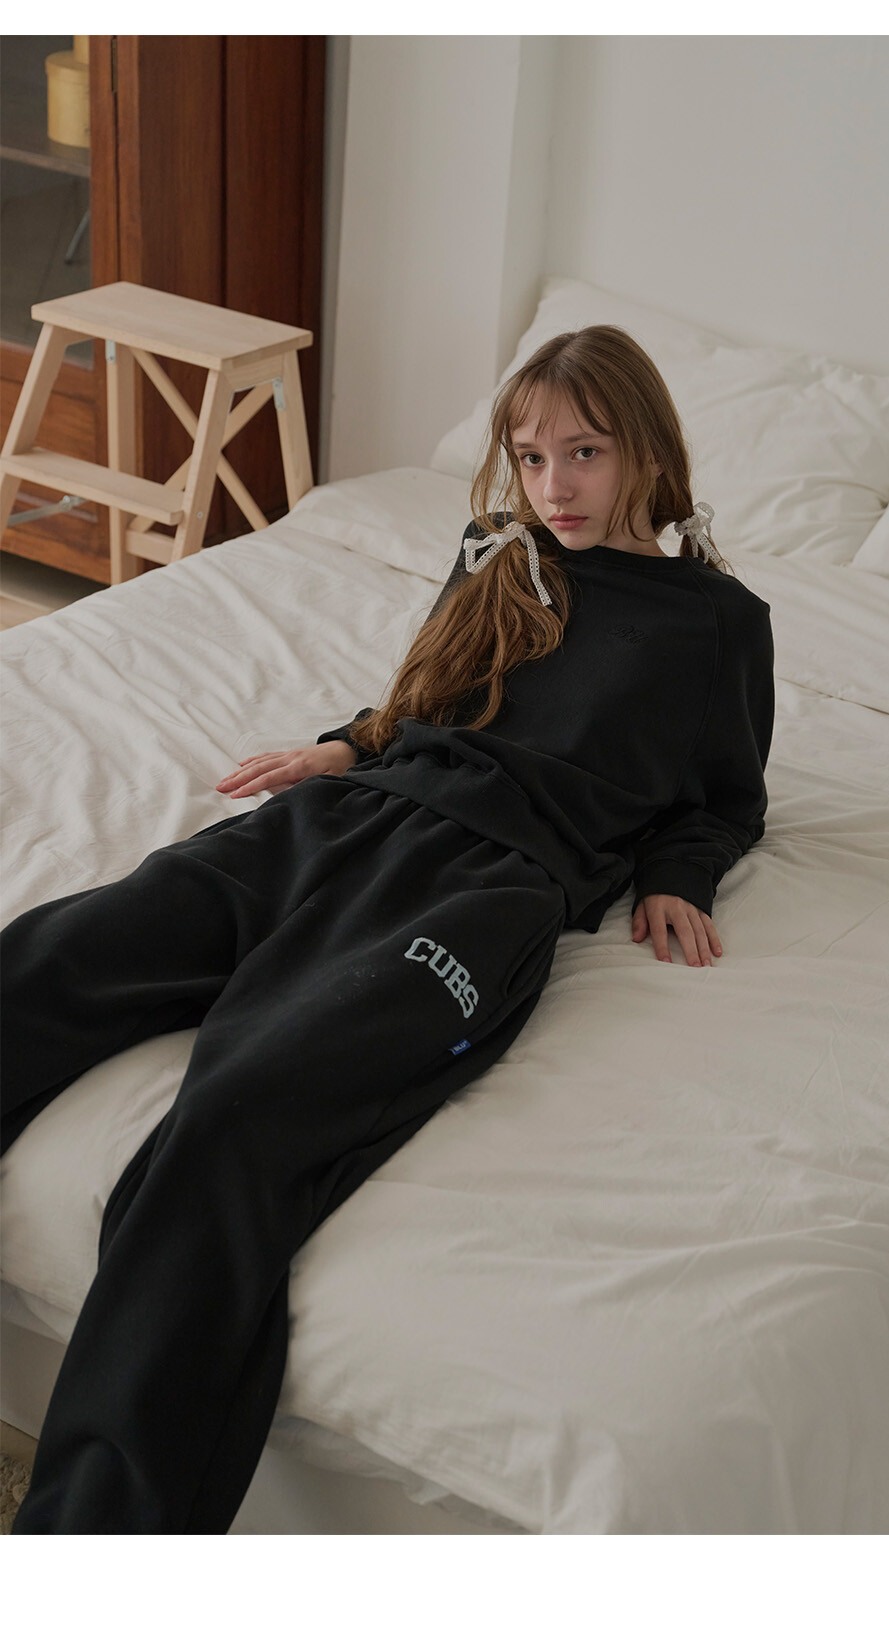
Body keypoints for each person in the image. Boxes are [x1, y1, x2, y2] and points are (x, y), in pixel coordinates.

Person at [3, 321, 774, 1533]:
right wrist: (345, 747)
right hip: (347, 819)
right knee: (41, 966)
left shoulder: (717, 620)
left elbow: (724, 793)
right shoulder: (496, 553)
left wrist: (682, 873)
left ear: (646, 450)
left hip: (489, 890)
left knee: (238, 1117)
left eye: (583, 452)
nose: (553, 485)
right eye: (529, 456)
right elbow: (429, 696)